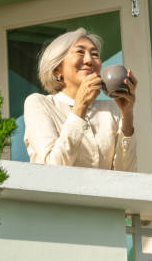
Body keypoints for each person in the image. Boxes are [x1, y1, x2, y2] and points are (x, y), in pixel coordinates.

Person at [23, 28, 137, 171]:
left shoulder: (111, 110)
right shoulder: (39, 103)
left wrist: (127, 115)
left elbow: (127, 174)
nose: (89, 60)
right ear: (57, 69)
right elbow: (53, 169)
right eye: (80, 52)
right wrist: (80, 107)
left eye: (95, 54)